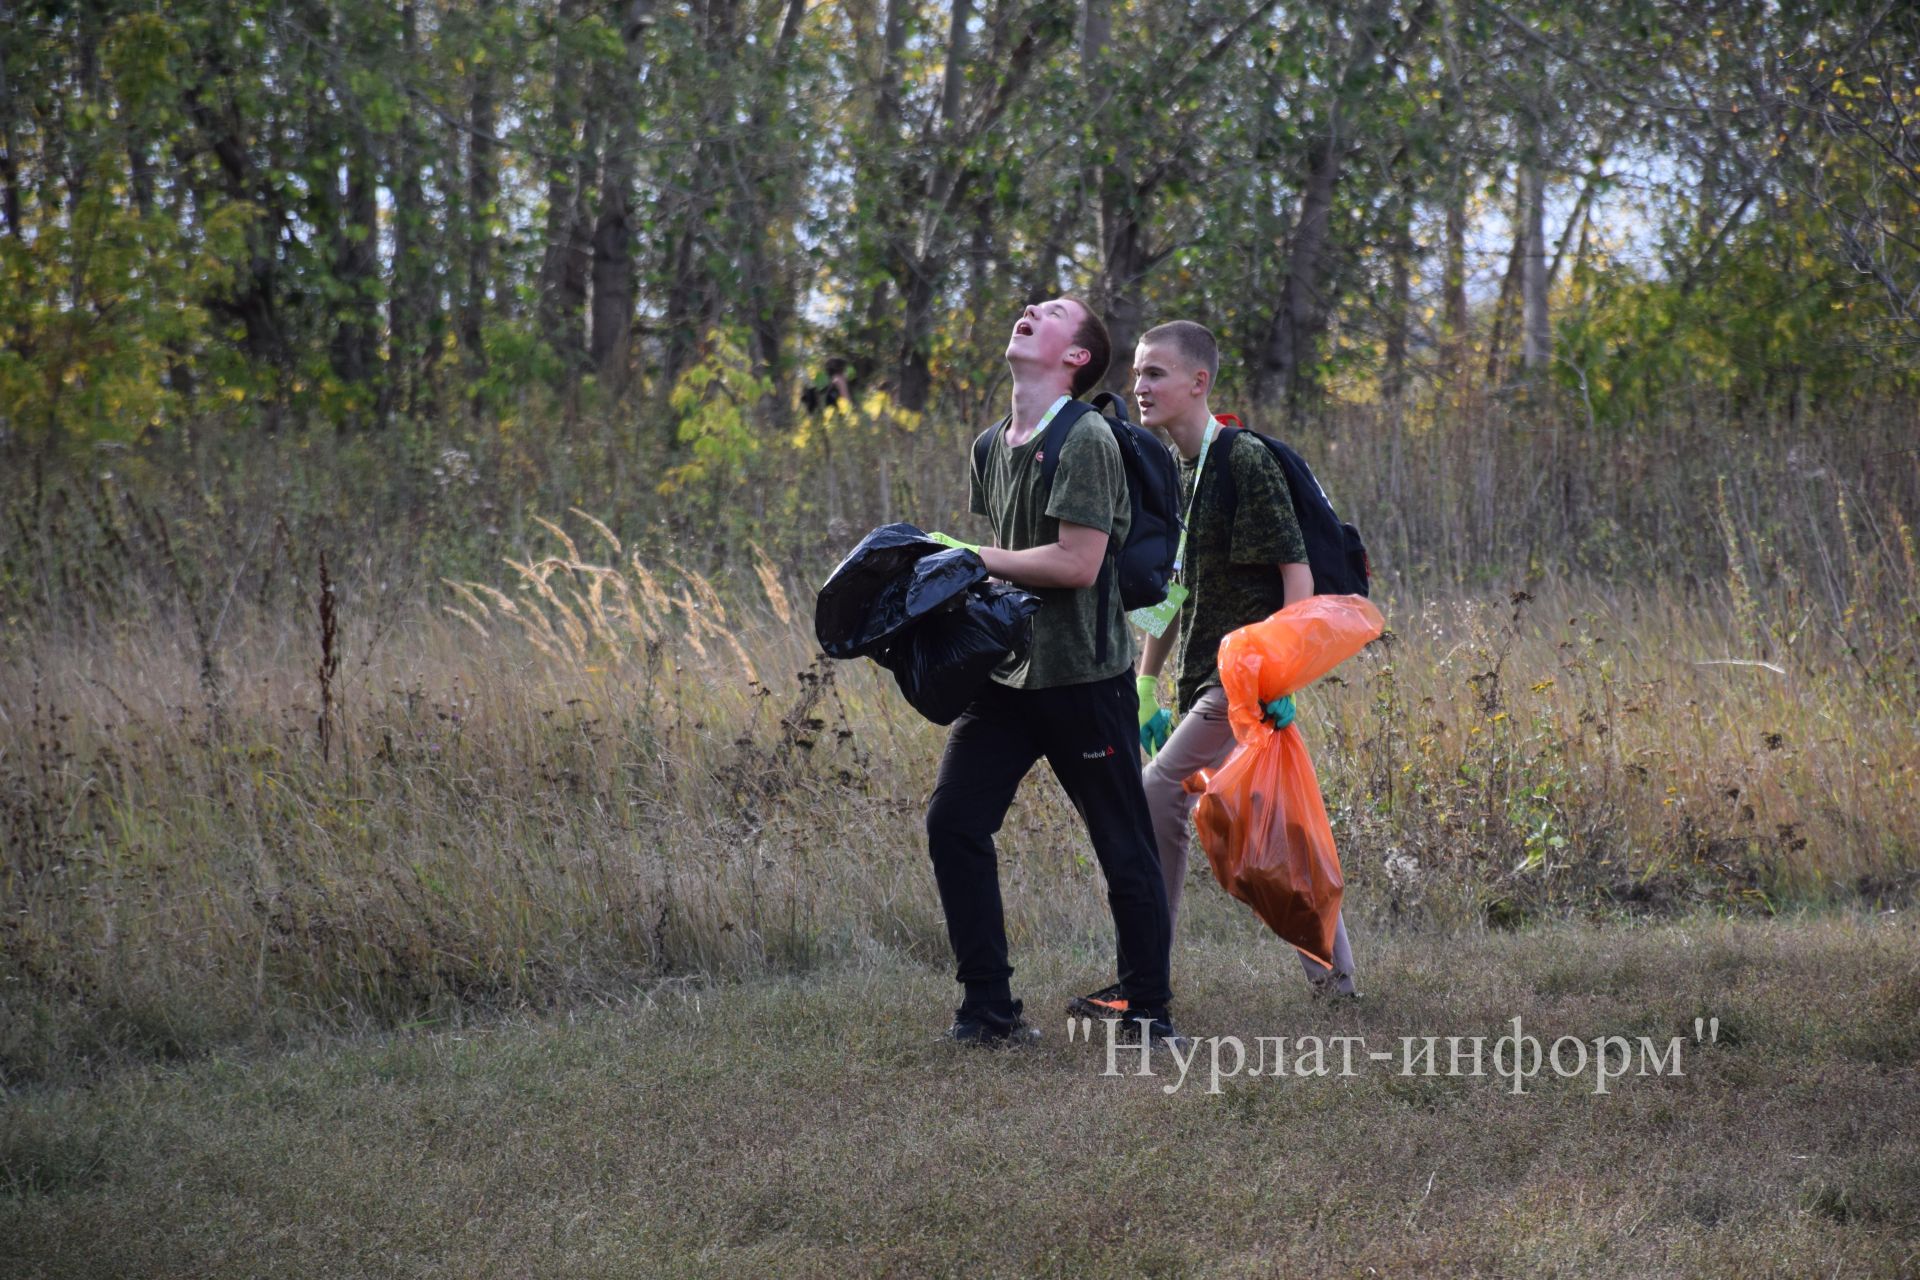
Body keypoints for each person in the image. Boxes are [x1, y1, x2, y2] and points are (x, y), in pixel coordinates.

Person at [1069, 320, 1358, 1019]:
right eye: (1137, 374)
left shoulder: (1244, 460)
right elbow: (1176, 592)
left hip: (1244, 683)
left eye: (1156, 374)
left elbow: (1299, 577)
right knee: (1274, 829)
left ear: (1199, 382)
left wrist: (1280, 680)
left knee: (1156, 792)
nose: (1139, 387)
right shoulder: (1185, 472)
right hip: (1205, 678)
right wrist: (1144, 682)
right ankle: (1337, 983)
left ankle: (1146, 978)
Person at [924, 297, 1183, 1048]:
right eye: (1035, 305)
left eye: (1055, 311)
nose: (1031, 308)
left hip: (1084, 679)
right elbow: (1007, 549)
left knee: (1122, 846)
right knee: (954, 824)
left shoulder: (1089, 438)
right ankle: (989, 1012)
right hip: (1007, 679)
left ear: (1077, 358)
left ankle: (1148, 1013)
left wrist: (968, 558)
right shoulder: (989, 445)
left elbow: (1077, 562)